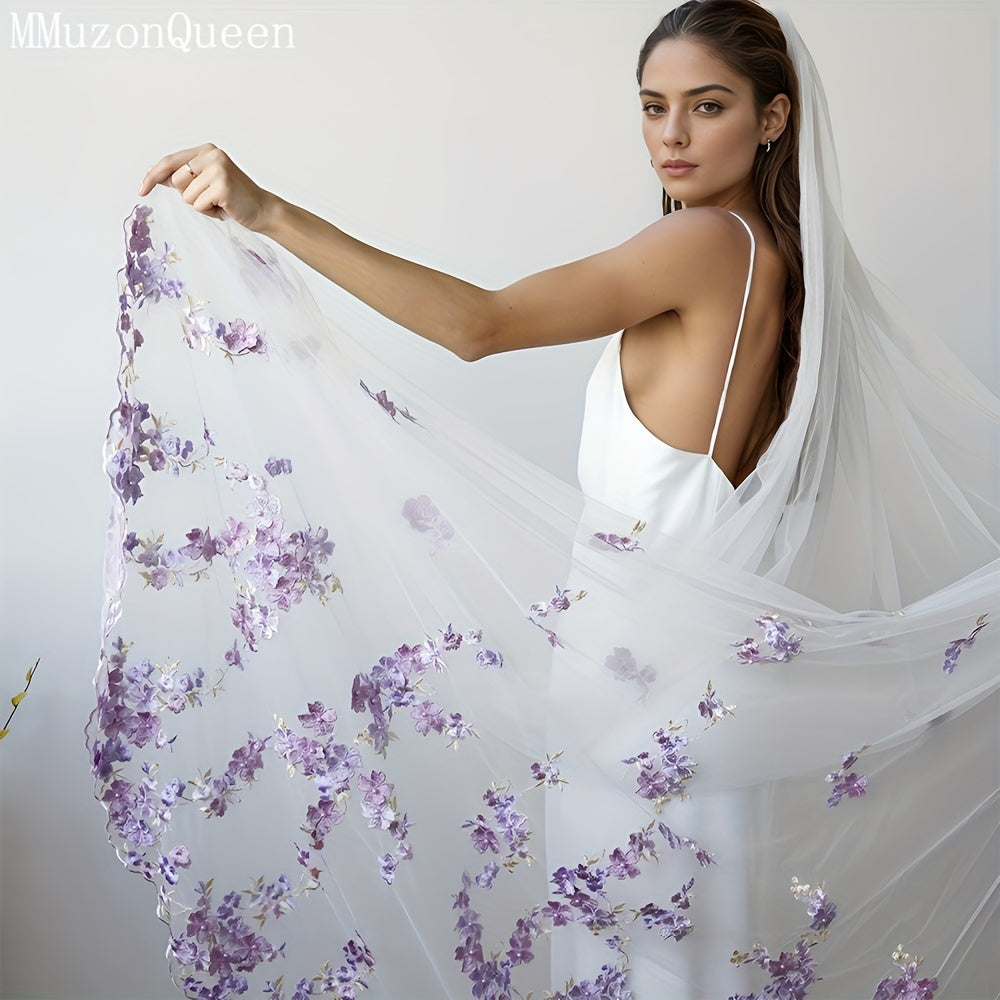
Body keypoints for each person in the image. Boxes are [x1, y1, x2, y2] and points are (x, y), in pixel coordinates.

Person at [92, 2, 998, 998]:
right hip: (681, 698)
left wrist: (269, 214)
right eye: (652, 106)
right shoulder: (777, 267)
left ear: (773, 118)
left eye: (707, 106)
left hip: (638, 706)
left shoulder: (707, 244)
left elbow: (477, 325)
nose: (673, 135)